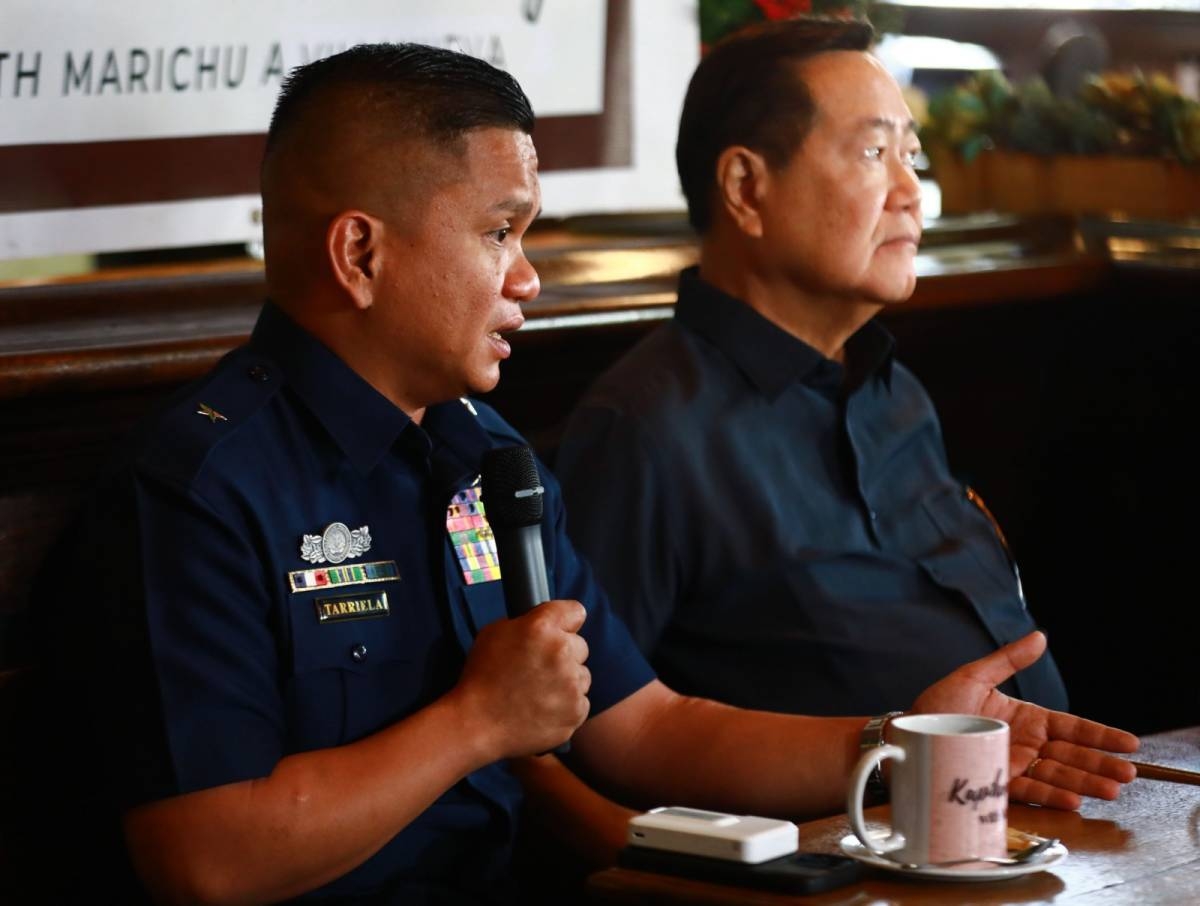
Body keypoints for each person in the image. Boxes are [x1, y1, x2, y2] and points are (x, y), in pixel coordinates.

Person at [45, 42, 1137, 906]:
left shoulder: (483, 457)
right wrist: (475, 724)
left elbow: (647, 725)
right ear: (360, 255)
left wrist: (893, 743)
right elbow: (205, 861)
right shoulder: (201, 487)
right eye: (497, 230)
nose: (528, 275)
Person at [555, 16, 1069, 720]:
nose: (909, 192)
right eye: (871, 153)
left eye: (910, 157)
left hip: (1026, 813)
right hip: (835, 826)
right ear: (745, 188)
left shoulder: (895, 393)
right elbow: (579, 731)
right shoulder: (645, 432)